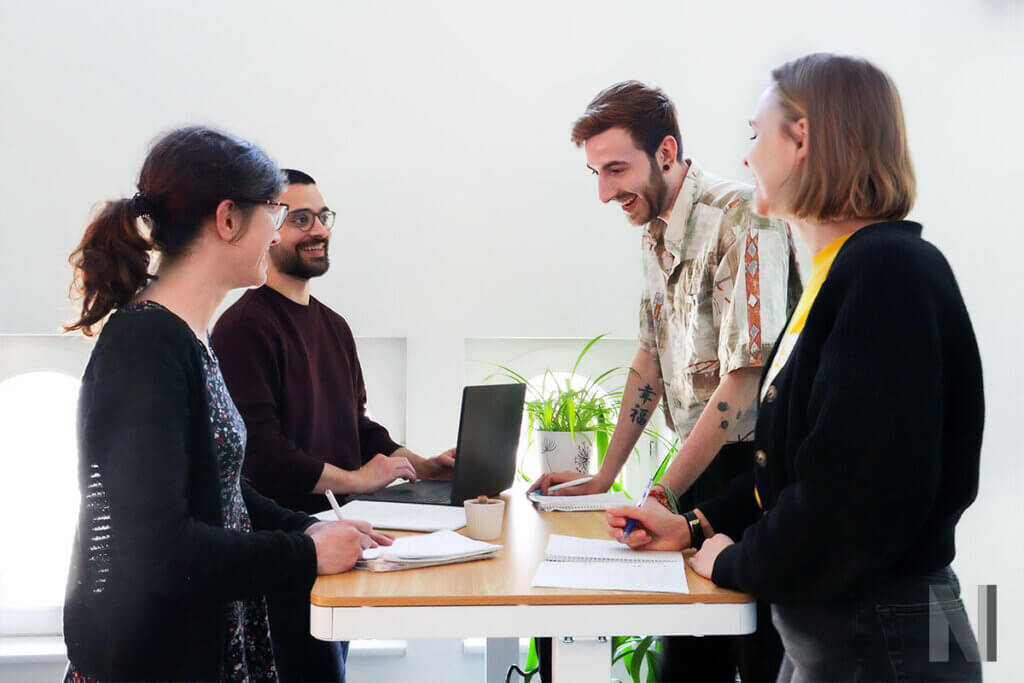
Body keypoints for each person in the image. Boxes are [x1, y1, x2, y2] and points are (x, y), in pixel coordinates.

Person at [607, 53, 984, 681]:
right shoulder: (837, 277)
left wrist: (728, 560)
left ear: (802, 139)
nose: (748, 155)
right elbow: (786, 474)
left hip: (886, 637)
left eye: (757, 134)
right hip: (843, 634)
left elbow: (847, 504)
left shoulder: (887, 272)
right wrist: (695, 526)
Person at [62, 126, 391, 682]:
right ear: (228, 220)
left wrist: (305, 528)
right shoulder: (147, 347)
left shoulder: (187, 336)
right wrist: (305, 556)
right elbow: (160, 550)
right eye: (276, 211)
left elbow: (223, 486)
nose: (277, 231)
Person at [532, 81, 801, 682]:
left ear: (666, 152)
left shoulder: (744, 220)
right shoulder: (654, 233)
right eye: (595, 173)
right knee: (687, 665)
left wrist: (660, 494)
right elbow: (648, 363)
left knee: (759, 662)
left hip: (753, 481)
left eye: (616, 169)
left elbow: (743, 385)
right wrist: (604, 476)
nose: (604, 192)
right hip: (700, 479)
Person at [210, 168, 455, 682]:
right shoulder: (243, 327)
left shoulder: (333, 325)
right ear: (268, 228)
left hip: (340, 548)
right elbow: (263, 457)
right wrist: (358, 480)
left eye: (323, 216)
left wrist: (422, 464)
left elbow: (357, 427)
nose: (318, 229)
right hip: (288, 552)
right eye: (301, 218)